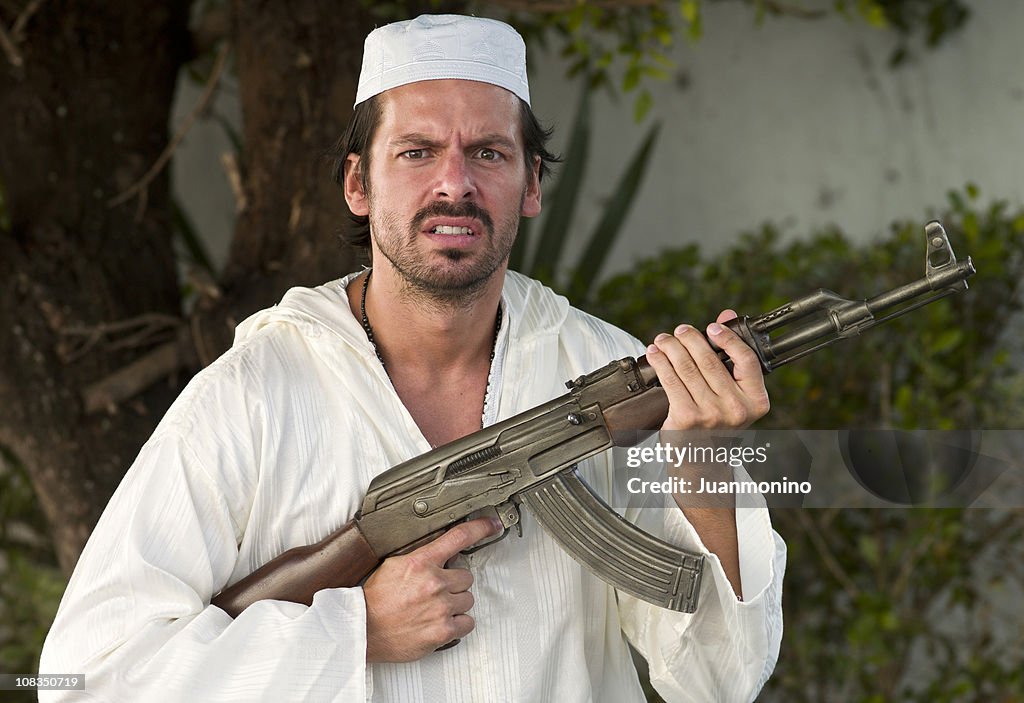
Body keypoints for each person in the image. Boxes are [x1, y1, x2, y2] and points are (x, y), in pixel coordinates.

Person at [40, 14, 785, 702]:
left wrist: (701, 460)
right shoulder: (251, 397)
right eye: (418, 151)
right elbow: (90, 675)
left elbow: (722, 679)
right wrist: (353, 630)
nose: (454, 183)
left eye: (489, 152)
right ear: (359, 184)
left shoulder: (606, 364)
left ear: (530, 185)